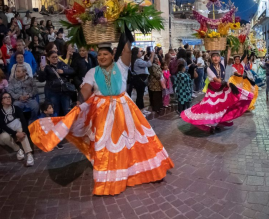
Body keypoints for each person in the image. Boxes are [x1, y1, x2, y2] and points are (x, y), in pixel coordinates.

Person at [28, 39, 174, 196]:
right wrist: (79, 102)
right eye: (99, 55)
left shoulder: (121, 66)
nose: (102, 57)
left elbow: (126, 50)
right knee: (105, 144)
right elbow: (85, 88)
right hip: (103, 112)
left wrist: (122, 22)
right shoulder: (92, 72)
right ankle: (110, 178)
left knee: (134, 140)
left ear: (112, 55)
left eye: (105, 54)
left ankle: (142, 171)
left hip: (125, 108)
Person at [181, 49, 254, 134]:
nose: (215, 58)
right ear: (211, 58)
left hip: (221, 89)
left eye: (217, 56)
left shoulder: (222, 64)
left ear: (219, 58)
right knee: (212, 108)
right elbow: (216, 79)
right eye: (214, 57)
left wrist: (228, 46)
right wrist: (227, 84)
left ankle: (216, 124)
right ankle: (212, 126)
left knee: (222, 107)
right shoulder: (209, 68)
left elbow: (227, 55)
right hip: (213, 91)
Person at [0, 92, 34, 166]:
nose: (8, 98)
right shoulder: (0, 112)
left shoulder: (16, 108)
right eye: (5, 97)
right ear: (1, 101)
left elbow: (23, 120)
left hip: (18, 128)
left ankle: (29, 154)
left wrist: (23, 132)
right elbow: (3, 126)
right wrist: (15, 134)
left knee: (21, 130)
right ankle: (18, 149)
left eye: (9, 97)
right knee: (3, 137)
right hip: (8, 131)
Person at [37, 50, 74, 116]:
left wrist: (63, 71)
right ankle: (56, 125)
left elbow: (72, 71)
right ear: (48, 58)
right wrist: (42, 70)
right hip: (53, 92)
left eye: (56, 57)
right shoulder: (47, 67)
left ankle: (68, 125)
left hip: (64, 91)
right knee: (55, 110)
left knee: (67, 110)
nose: (55, 58)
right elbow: (41, 80)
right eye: (53, 57)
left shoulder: (61, 64)